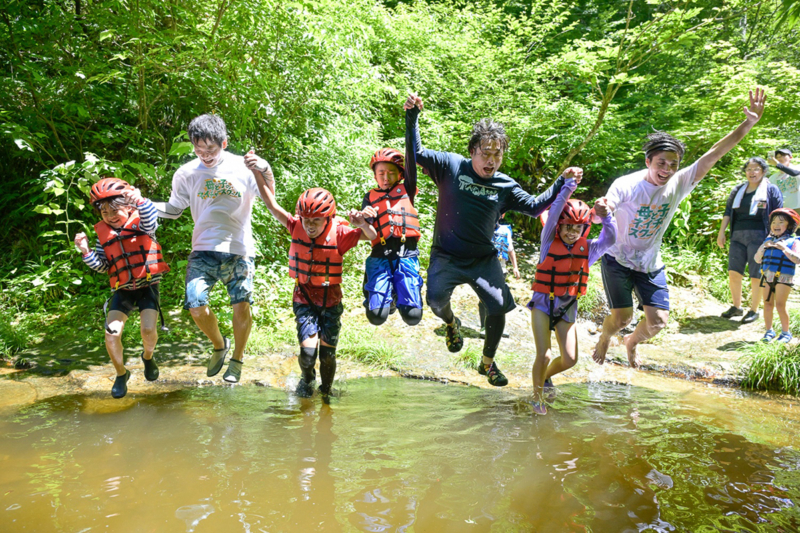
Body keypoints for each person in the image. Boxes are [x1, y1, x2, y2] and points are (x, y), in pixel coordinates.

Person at [592, 88, 767, 368]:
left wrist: (748, 123)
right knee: (622, 318)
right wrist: (602, 211)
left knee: (658, 321)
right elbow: (607, 206)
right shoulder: (627, 184)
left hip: (649, 262)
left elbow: (714, 153)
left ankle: (631, 342)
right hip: (617, 259)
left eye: (673, 164)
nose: (667, 169)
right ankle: (605, 336)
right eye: (661, 163)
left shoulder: (680, 182)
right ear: (648, 161)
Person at [405, 93, 569, 387]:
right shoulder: (451, 166)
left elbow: (535, 207)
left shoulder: (505, 185)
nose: (491, 160)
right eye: (485, 153)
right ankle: (451, 323)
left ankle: (487, 363)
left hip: (483, 258)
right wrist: (412, 116)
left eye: (497, 155)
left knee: (498, 305)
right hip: (446, 254)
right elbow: (416, 153)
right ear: (472, 151)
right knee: (435, 300)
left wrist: (562, 182)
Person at [154, 114, 274, 383]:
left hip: (239, 247)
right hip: (203, 247)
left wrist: (264, 168)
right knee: (195, 304)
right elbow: (174, 210)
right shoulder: (186, 173)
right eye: (199, 149)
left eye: (211, 149)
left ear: (224, 143)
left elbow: (270, 196)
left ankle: (237, 360)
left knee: (241, 305)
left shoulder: (244, 167)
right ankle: (220, 345)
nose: (205, 155)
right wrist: (143, 205)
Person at [252, 174, 378, 401]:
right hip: (304, 297)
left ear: (328, 219)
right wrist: (256, 172)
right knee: (309, 354)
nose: (309, 226)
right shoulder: (295, 226)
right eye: (306, 220)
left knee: (327, 356)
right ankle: (307, 378)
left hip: (331, 299)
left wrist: (362, 223)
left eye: (316, 221)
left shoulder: (339, 234)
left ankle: (326, 392)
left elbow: (371, 236)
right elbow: (271, 204)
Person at [74, 178, 170, 398]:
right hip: (123, 289)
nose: (110, 216)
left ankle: (148, 357)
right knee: (111, 334)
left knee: (148, 330)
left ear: (128, 207)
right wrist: (86, 251)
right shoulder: (103, 236)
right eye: (104, 212)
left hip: (147, 286)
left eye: (114, 210)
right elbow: (103, 267)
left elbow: (151, 218)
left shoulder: (143, 224)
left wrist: (140, 200)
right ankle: (121, 373)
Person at [529, 174, 617, 414]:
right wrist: (569, 185)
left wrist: (606, 216)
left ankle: (543, 378)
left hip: (567, 307)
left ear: (584, 228)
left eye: (577, 227)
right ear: (560, 225)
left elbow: (611, 238)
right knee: (544, 354)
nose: (572, 232)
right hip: (542, 305)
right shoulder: (548, 241)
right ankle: (537, 397)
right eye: (568, 226)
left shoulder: (588, 249)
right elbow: (554, 213)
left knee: (570, 359)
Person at [361, 146, 424, 327]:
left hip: (407, 252)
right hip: (380, 254)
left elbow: (412, 161)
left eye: (391, 173)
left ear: (400, 175)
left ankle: (398, 294)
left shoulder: (407, 189)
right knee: (376, 317)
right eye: (381, 173)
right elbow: (367, 228)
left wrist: (411, 130)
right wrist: (363, 217)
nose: (386, 178)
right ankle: (382, 295)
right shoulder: (369, 197)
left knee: (413, 317)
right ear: (375, 176)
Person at [717, 157, 782, 322]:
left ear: (763, 171)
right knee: (734, 272)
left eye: (756, 169)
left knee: (755, 274)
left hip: (760, 236)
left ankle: (754, 310)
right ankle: (736, 307)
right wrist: (721, 232)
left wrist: (775, 237)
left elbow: (778, 213)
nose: (752, 172)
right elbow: (728, 212)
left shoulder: (771, 189)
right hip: (737, 235)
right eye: (749, 169)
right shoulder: (738, 190)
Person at [754, 208, 800, 343]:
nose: (776, 225)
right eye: (774, 222)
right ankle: (769, 331)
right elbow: (757, 259)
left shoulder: (793, 241)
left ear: (789, 225)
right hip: (767, 276)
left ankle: (786, 333)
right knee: (767, 304)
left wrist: (784, 249)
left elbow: (798, 259)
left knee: (780, 305)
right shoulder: (768, 241)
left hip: (783, 277)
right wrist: (764, 247)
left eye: (781, 222)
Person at [478, 214, 520, 339]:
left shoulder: (505, 230)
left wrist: (515, 267)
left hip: (501, 269)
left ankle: (499, 327)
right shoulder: (482, 229)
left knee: (500, 298)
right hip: (485, 268)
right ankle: (484, 326)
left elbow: (510, 250)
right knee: (483, 297)